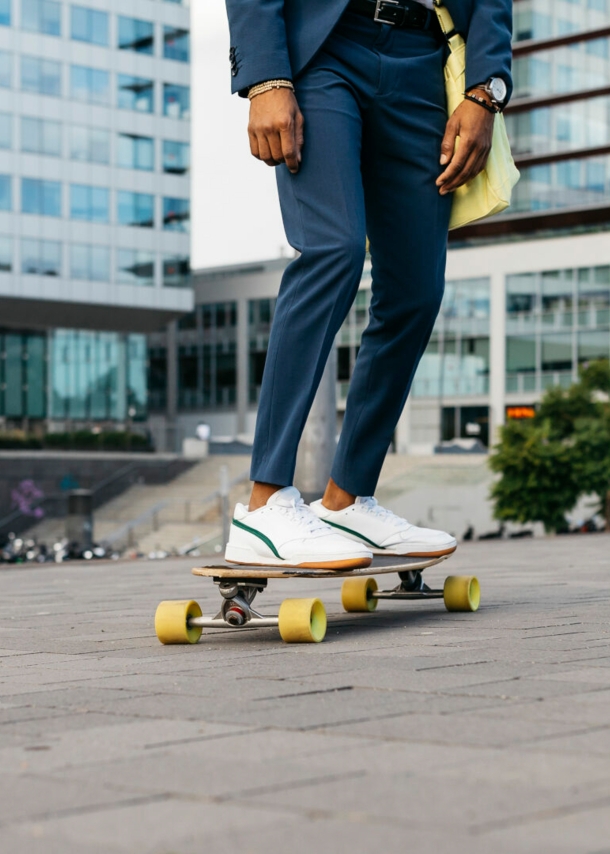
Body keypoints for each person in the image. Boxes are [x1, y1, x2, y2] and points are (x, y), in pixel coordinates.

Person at [223, 0, 513, 569]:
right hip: (326, 47)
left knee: (416, 289)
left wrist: (487, 90)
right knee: (333, 248)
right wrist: (264, 77)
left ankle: (347, 499)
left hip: (423, 56)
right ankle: (264, 504)